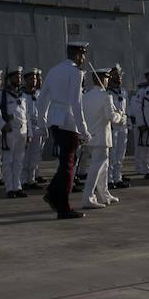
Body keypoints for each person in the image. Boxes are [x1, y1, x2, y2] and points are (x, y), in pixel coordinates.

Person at [36, 42, 91, 219]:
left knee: (65, 163)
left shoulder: (53, 70)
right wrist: (84, 130)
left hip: (55, 120)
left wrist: (42, 121)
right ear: (76, 54)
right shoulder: (76, 72)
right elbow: (77, 103)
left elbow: (42, 97)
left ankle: (52, 194)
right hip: (68, 121)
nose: (84, 58)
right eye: (83, 54)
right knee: (68, 166)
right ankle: (64, 207)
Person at [81, 72, 121, 209]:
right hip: (102, 136)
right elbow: (110, 116)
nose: (108, 81)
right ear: (101, 78)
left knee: (103, 166)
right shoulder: (106, 96)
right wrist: (120, 117)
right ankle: (88, 197)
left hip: (91, 136)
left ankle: (104, 194)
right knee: (96, 167)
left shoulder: (86, 96)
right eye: (107, 78)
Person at [0, 68, 32, 198]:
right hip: (10, 131)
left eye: (19, 77)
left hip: (22, 132)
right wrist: (2, 124)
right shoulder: (3, 95)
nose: (18, 79)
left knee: (19, 161)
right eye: (15, 77)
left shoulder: (22, 95)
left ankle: (17, 187)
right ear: (10, 79)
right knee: (8, 161)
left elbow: (26, 115)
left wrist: (29, 133)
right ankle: (9, 188)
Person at [106, 65, 130, 189]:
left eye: (120, 75)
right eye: (115, 75)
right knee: (112, 154)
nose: (118, 77)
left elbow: (127, 109)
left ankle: (117, 177)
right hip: (112, 127)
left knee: (121, 154)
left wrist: (128, 122)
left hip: (123, 127)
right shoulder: (107, 93)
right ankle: (109, 179)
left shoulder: (124, 92)